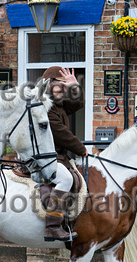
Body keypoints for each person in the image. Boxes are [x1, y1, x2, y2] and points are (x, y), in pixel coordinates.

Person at [42, 67, 88, 242]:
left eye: (64, 87)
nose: (62, 90)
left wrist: (75, 86)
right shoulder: (45, 107)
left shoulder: (57, 104)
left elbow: (78, 104)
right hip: (45, 157)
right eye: (59, 86)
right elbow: (59, 133)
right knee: (66, 179)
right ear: (49, 85)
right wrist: (81, 149)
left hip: (58, 157)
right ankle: (52, 226)